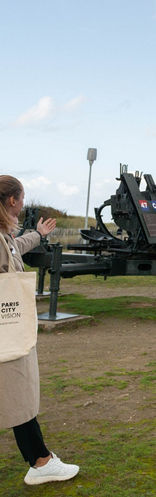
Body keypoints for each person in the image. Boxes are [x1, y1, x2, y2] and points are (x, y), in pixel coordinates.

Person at [0, 175, 80, 485]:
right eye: (21, 199)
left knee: (16, 394)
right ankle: (40, 461)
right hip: (7, 329)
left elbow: (14, 247)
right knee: (18, 393)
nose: (22, 204)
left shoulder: (5, 236)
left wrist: (37, 234)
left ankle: (40, 459)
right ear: (12, 201)